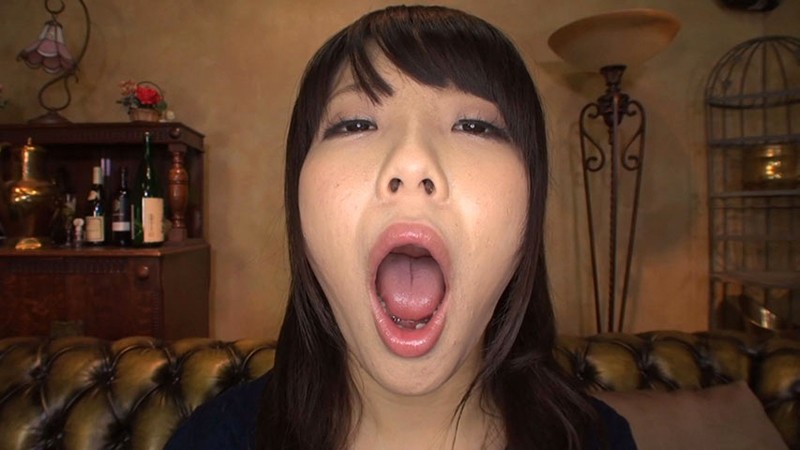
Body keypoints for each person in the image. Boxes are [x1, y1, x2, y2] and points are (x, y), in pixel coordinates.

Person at [166, 5, 636, 450]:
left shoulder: (599, 440)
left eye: (474, 126)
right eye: (355, 124)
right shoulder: (208, 441)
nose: (411, 162)